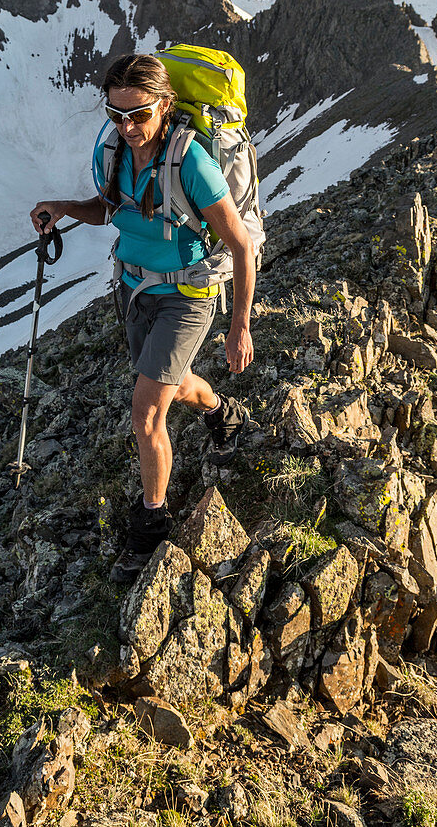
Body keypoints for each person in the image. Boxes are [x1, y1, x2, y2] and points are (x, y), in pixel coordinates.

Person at [30, 53, 255, 582]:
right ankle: (222, 413)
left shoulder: (192, 161)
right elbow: (114, 208)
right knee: (171, 388)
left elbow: (241, 247)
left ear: (165, 105)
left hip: (187, 296)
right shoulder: (111, 150)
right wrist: (64, 207)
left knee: (145, 415)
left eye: (140, 115)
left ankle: (152, 523)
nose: (127, 127)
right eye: (116, 114)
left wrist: (238, 325)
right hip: (133, 289)